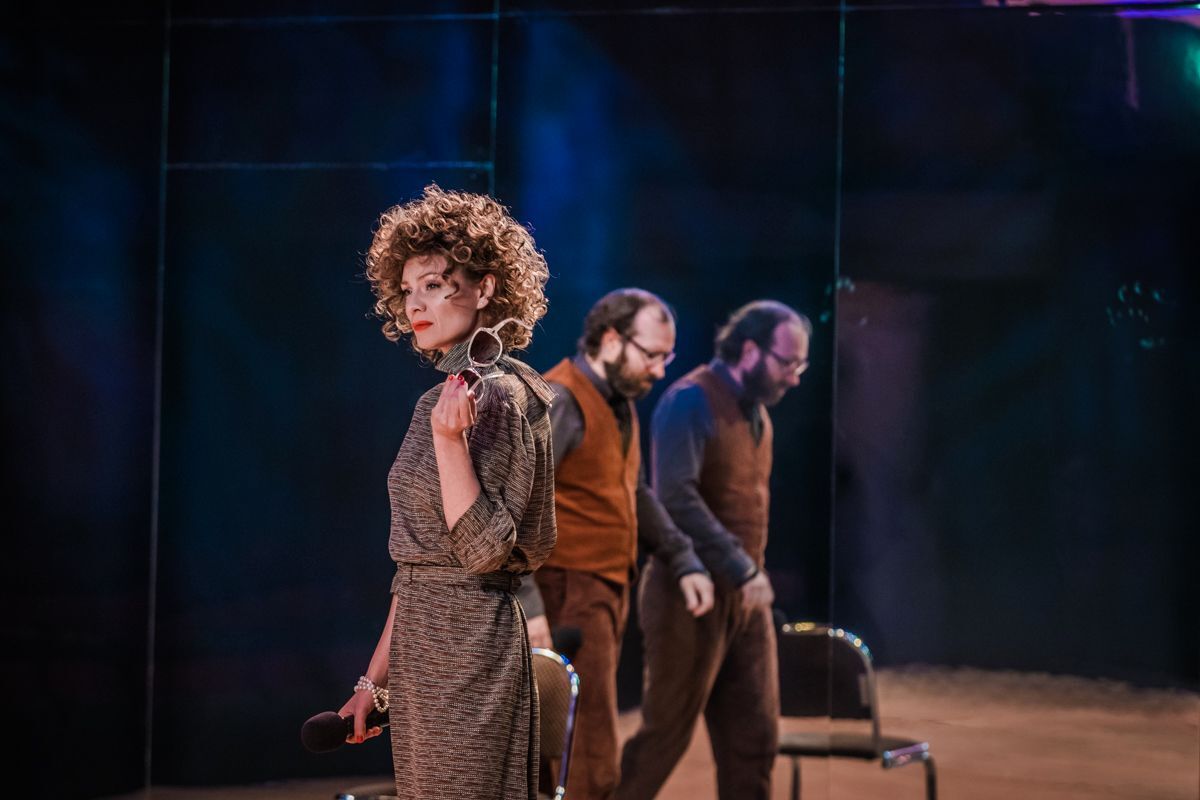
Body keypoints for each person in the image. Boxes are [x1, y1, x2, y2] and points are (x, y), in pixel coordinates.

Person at [339, 184, 557, 800]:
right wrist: (375, 680)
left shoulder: (497, 395)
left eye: (434, 285)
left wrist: (449, 442)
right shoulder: (445, 396)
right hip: (426, 648)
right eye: (407, 289)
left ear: (485, 288)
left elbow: (485, 553)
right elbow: (419, 566)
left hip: (468, 650)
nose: (415, 303)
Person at [517, 288, 715, 800]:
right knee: (585, 750)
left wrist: (683, 557)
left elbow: (633, 492)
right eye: (652, 355)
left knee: (586, 741)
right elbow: (516, 507)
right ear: (610, 340)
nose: (660, 370)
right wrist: (531, 605)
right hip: (566, 592)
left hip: (602, 591)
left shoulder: (618, 401)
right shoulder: (562, 398)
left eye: (666, 357)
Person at [617, 300, 812, 800]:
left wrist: (747, 576)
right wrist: (741, 568)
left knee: (755, 740)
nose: (795, 376)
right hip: (688, 597)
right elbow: (675, 498)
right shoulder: (690, 401)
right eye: (787, 362)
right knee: (665, 737)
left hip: (745, 601)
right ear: (749, 349)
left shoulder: (758, 415)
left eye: (801, 365)